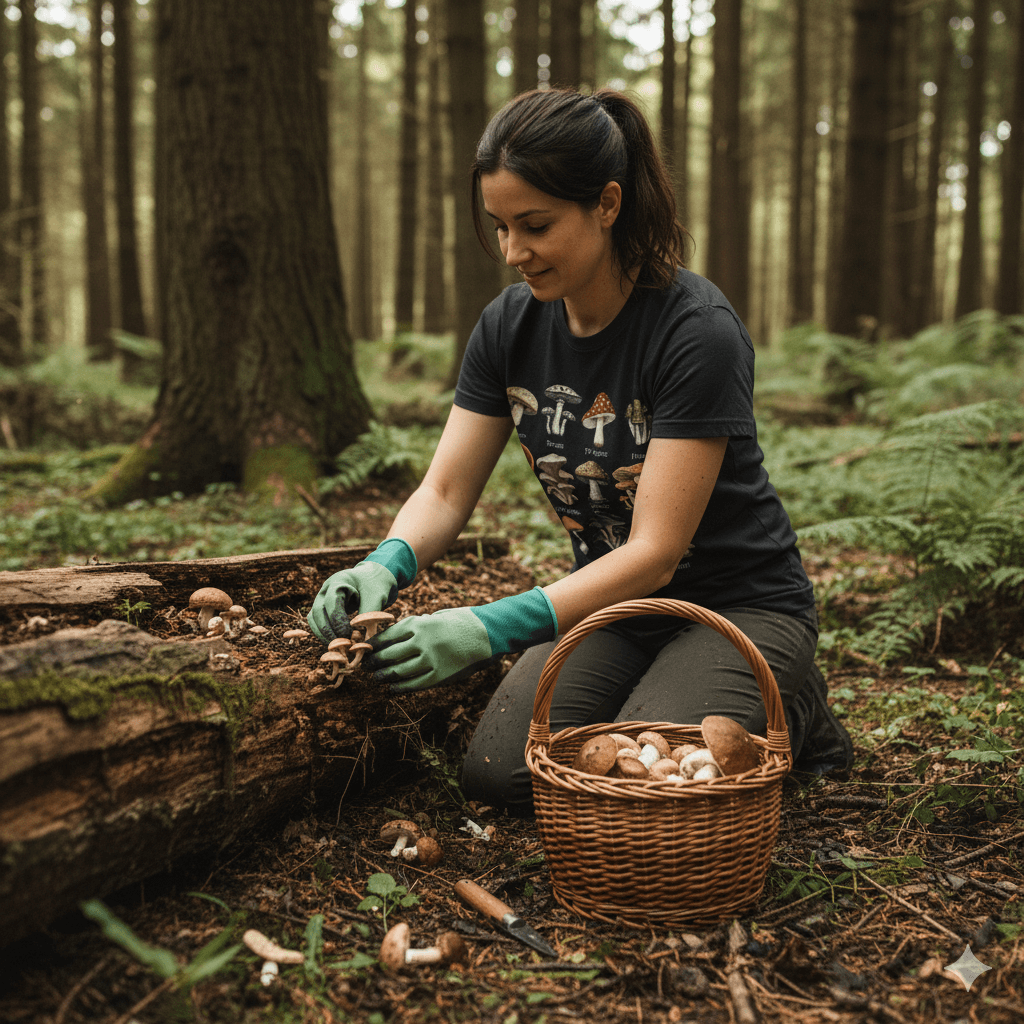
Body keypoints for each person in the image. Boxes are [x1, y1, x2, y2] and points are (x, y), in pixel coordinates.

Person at [307, 87, 852, 814]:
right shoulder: (509, 328)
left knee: (637, 784)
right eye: (500, 226)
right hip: (616, 608)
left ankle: (795, 699)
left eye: (535, 225)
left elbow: (656, 551)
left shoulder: (696, 332)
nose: (512, 252)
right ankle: (683, 685)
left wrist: (485, 626)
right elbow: (442, 493)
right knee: (500, 776)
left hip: (740, 610)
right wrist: (386, 562)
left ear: (607, 204)